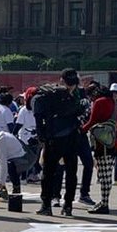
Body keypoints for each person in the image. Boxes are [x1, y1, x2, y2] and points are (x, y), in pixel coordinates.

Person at [32, 68, 82, 217]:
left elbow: (38, 114)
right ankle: (68, 206)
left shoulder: (50, 93)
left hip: (54, 138)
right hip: (72, 136)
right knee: (71, 172)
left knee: (48, 172)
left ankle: (46, 205)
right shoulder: (78, 95)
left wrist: (41, 135)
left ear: (61, 79)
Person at [81, 82, 117, 213]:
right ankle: (104, 201)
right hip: (114, 140)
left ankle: (104, 204)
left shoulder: (99, 102)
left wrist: (81, 130)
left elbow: (93, 121)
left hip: (102, 143)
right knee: (108, 173)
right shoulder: (113, 102)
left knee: (103, 175)